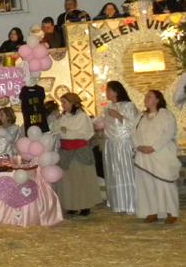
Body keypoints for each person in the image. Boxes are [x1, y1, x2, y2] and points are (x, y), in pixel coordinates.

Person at [133, 90, 180, 223]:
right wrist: (139, 147)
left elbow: (169, 133)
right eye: (145, 96)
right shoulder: (140, 116)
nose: (146, 98)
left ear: (157, 100)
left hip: (161, 155)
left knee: (164, 184)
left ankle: (171, 212)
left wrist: (153, 148)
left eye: (149, 96)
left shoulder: (166, 115)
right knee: (147, 184)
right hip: (143, 156)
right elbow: (133, 133)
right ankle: (152, 211)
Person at [53, 93, 101, 217]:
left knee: (82, 179)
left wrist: (66, 131)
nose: (62, 105)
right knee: (69, 180)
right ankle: (72, 205)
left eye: (64, 102)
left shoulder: (82, 117)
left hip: (79, 151)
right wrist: (61, 126)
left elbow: (84, 133)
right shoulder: (63, 117)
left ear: (73, 103)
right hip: (65, 151)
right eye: (62, 102)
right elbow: (56, 131)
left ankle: (85, 205)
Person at [101, 81, 138, 215]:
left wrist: (119, 116)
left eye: (108, 90)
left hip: (124, 143)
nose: (106, 92)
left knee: (126, 172)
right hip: (110, 144)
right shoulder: (107, 107)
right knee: (114, 173)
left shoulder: (129, 105)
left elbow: (135, 125)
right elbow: (104, 123)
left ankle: (130, 203)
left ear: (116, 91)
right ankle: (117, 203)